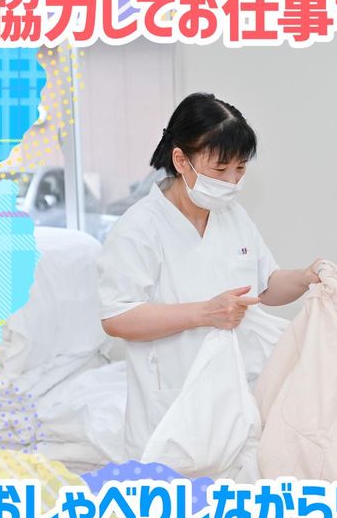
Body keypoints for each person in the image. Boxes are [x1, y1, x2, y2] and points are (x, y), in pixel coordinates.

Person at [97, 92, 321, 459]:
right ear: (181, 160)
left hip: (236, 407)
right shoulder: (139, 229)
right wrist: (205, 313)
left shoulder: (233, 216)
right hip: (168, 412)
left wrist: (306, 277)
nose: (232, 181)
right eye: (220, 169)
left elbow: (266, 287)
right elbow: (117, 318)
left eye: (240, 168)